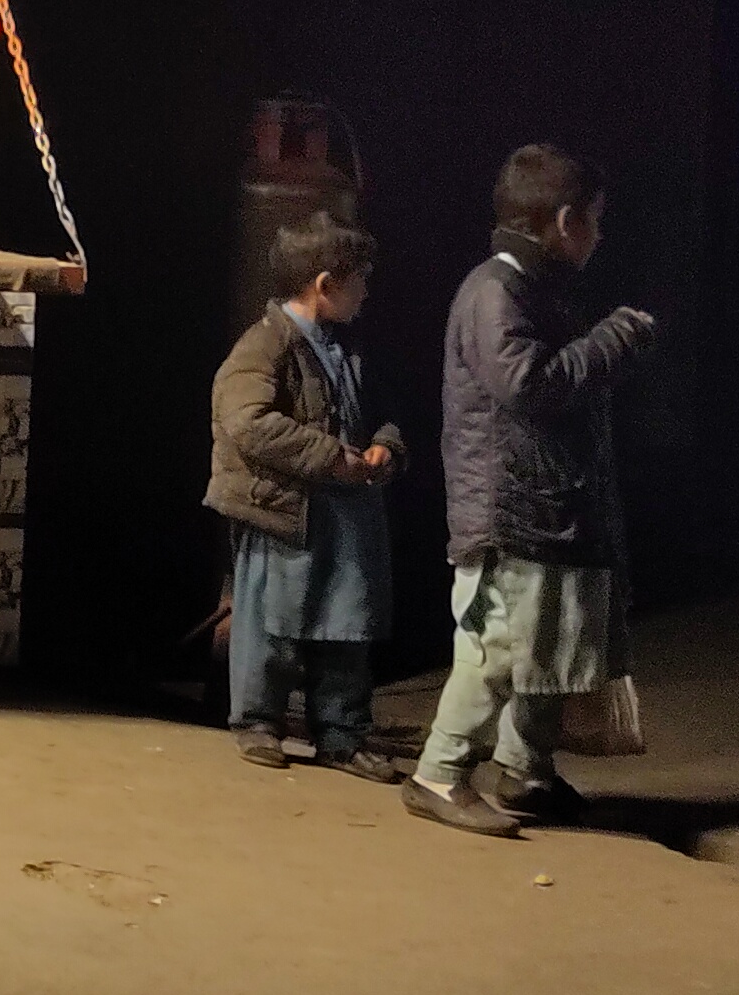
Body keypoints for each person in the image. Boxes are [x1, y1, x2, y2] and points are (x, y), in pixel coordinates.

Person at [406, 144, 657, 839]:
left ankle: (525, 772)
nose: (599, 237)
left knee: (552, 651)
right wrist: (610, 341)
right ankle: (439, 772)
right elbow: (529, 385)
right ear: (567, 219)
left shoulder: (533, 289)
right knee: (501, 650)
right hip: (510, 511)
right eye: (595, 222)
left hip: (550, 505)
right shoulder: (496, 289)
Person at [206, 211, 407, 781]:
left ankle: (342, 734)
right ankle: (257, 722)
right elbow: (246, 420)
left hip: (346, 517)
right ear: (325, 284)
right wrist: (329, 456)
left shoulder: (348, 347)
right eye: (359, 279)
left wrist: (386, 447)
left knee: (348, 623)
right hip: (285, 513)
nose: (366, 291)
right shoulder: (266, 344)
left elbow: (382, 413)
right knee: (272, 623)